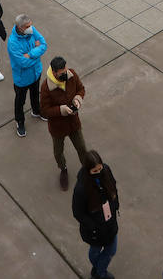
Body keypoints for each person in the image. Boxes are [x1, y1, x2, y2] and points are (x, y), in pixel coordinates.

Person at [72, 150, 120, 279]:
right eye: (94, 171)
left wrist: (116, 205)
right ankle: (101, 273)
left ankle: (99, 271)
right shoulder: (81, 189)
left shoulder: (106, 170)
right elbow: (77, 212)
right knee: (95, 251)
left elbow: (113, 186)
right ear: (87, 170)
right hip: (95, 231)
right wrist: (94, 226)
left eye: (100, 169)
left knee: (112, 250)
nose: (98, 173)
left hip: (110, 223)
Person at [42, 56, 89, 190]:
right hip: (58, 127)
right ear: (55, 72)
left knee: (82, 148)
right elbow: (44, 110)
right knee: (58, 152)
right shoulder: (46, 87)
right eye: (62, 73)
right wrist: (61, 110)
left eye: (66, 70)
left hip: (73, 122)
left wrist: (78, 98)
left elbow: (81, 89)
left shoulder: (72, 75)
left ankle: (87, 171)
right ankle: (63, 169)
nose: (65, 73)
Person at [8, 14, 48, 137]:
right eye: (28, 26)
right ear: (20, 28)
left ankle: (36, 111)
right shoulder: (13, 43)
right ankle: (19, 121)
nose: (31, 28)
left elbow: (43, 44)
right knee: (20, 101)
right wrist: (37, 55)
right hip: (22, 78)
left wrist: (30, 54)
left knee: (35, 93)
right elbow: (22, 63)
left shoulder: (31, 30)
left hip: (35, 73)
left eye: (31, 25)